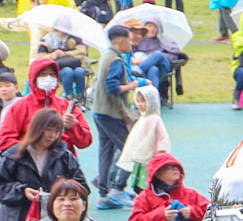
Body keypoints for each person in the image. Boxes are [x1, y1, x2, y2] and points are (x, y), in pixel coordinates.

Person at [0, 108, 85, 221]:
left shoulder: (65, 156)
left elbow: (82, 186)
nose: (53, 135)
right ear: (37, 128)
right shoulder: (12, 156)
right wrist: (22, 191)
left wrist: (62, 190)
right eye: (48, 130)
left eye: (57, 131)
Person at [88, 24, 140, 208]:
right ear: (120, 40)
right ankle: (117, 189)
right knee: (130, 151)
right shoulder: (116, 60)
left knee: (106, 152)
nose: (132, 42)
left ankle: (104, 192)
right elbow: (113, 87)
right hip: (112, 114)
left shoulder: (106, 56)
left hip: (99, 112)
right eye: (130, 38)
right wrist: (131, 86)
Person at [0, 56, 92, 153]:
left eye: (52, 75)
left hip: (61, 163)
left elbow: (85, 142)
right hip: (28, 164)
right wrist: (31, 149)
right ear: (34, 78)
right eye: (43, 75)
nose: (48, 78)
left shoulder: (67, 106)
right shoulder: (19, 107)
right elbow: (4, 140)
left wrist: (74, 127)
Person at [127, 151, 207, 221]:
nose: (175, 169)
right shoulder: (145, 197)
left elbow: (211, 213)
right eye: (169, 167)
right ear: (157, 173)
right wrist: (161, 216)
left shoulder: (190, 194)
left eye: (177, 166)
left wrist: (193, 212)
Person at [115, 84, 170, 194]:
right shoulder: (143, 119)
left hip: (150, 158)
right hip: (139, 158)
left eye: (143, 101)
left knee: (148, 183)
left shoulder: (155, 119)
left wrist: (161, 152)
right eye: (138, 101)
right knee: (138, 182)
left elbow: (163, 138)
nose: (140, 104)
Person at [130, 19, 173, 95]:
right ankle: (152, 98)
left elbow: (172, 54)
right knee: (153, 69)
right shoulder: (139, 40)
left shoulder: (163, 40)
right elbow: (130, 55)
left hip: (162, 67)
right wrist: (136, 60)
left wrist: (151, 57)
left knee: (158, 54)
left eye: (155, 27)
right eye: (149, 26)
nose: (152, 29)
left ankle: (139, 70)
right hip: (149, 69)